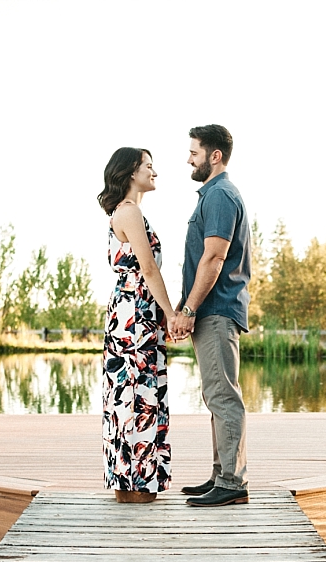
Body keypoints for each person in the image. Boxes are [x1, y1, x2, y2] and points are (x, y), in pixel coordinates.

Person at [168, 124, 250, 507]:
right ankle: (221, 475)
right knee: (214, 394)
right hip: (211, 312)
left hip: (215, 311)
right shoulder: (213, 195)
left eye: (194, 151)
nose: (189, 158)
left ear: (214, 155)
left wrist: (188, 309)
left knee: (223, 395)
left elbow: (214, 258)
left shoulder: (220, 196)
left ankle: (233, 483)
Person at [98, 147, 175, 503]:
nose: (154, 171)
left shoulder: (128, 212)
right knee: (135, 395)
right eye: (148, 166)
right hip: (134, 316)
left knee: (134, 394)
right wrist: (171, 313)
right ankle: (136, 489)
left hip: (135, 312)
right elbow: (148, 267)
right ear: (131, 172)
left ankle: (134, 488)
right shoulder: (129, 212)